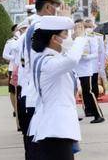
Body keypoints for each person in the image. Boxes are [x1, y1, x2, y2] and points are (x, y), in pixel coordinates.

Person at [27, 15, 86, 160]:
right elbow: (72, 60)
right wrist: (80, 38)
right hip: (54, 130)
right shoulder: (47, 62)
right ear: (54, 38)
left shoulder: (56, 58)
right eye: (65, 34)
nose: (69, 37)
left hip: (60, 129)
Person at [17, 0, 62, 160]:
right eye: (56, 6)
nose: (57, 10)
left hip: (33, 96)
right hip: (39, 98)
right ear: (48, 7)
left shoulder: (33, 27)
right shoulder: (41, 28)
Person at [73, 19, 105, 123]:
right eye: (76, 27)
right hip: (75, 69)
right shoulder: (72, 38)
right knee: (75, 93)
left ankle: (98, 114)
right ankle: (80, 113)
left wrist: (85, 57)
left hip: (86, 68)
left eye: (80, 27)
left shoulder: (90, 38)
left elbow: (96, 54)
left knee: (89, 92)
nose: (78, 29)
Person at [3, 24, 20, 121]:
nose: (18, 31)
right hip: (13, 68)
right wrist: (14, 58)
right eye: (17, 30)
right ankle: (15, 109)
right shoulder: (10, 42)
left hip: (22, 69)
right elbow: (4, 54)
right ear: (13, 31)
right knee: (13, 91)